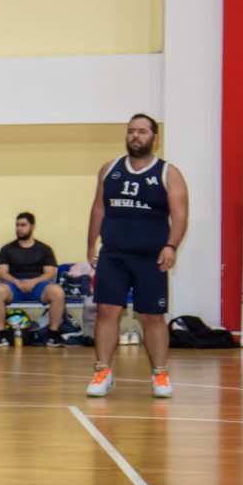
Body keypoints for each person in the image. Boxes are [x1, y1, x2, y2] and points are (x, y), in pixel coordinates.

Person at [85, 114, 187, 397]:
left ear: (155, 138)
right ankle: (103, 371)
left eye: (142, 131)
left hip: (151, 258)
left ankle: (160, 375)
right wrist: (91, 244)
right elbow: (98, 208)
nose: (135, 136)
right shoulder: (110, 169)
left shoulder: (168, 173)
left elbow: (180, 215)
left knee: (152, 316)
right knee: (107, 311)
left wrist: (171, 246)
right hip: (113, 255)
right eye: (131, 131)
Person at [0, 211, 65, 347]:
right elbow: (2, 273)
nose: (19, 228)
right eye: (17, 225)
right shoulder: (7, 249)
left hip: (39, 285)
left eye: (23, 225)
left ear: (33, 227)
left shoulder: (45, 249)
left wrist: (33, 282)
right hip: (13, 286)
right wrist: (17, 282)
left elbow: (50, 273)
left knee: (58, 292)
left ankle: (53, 336)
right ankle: (1, 336)